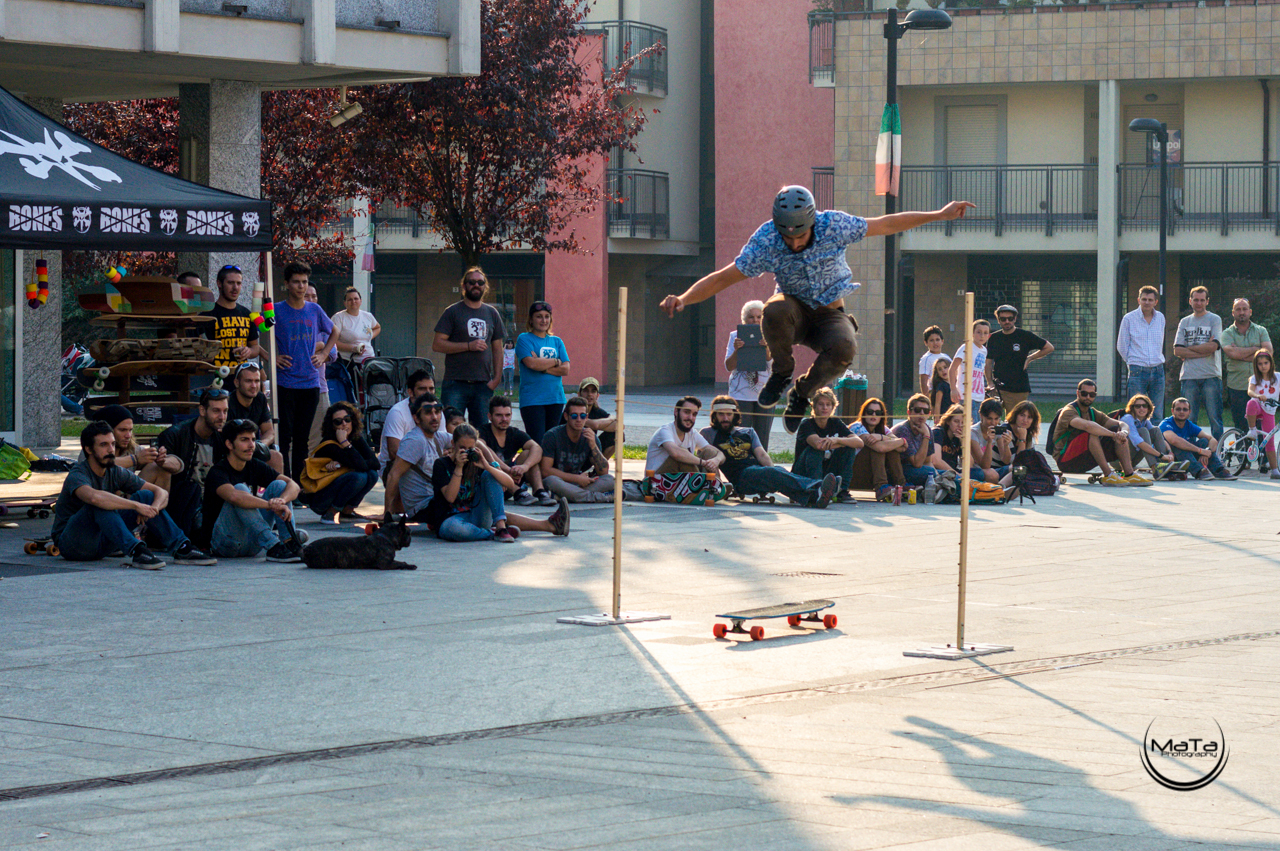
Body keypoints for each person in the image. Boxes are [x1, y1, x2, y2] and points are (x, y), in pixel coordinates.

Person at [659, 186, 975, 434]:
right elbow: (724, 276)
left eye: (800, 236)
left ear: (811, 222)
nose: (794, 244)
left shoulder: (834, 225)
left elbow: (886, 224)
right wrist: (685, 298)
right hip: (793, 313)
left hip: (830, 313)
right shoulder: (766, 239)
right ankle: (782, 372)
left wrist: (938, 214)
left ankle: (802, 393)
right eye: (788, 237)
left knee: (845, 346)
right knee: (774, 310)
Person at [52, 421, 214, 568]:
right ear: (88, 449)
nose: (110, 450)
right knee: (100, 504)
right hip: (72, 544)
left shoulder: (115, 471)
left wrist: (153, 508)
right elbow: (94, 497)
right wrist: (136, 506)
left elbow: (161, 492)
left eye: (113, 444)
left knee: (146, 496)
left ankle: (181, 548)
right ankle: (138, 552)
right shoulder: (78, 474)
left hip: (103, 543)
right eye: (103, 445)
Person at [426, 424, 569, 541]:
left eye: (470, 448)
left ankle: (500, 527)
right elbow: (450, 497)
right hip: (451, 519)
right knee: (455, 530)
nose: (466, 452)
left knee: (491, 475)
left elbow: (509, 484)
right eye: (462, 448)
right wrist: (458, 466)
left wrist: (487, 466)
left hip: (476, 514)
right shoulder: (441, 464)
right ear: (453, 444)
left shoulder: (476, 461)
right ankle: (492, 533)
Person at [701, 396, 838, 508]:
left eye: (728, 414)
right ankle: (819, 486)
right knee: (772, 472)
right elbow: (705, 455)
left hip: (758, 471)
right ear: (714, 415)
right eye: (721, 414)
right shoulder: (708, 433)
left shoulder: (748, 431)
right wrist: (717, 486)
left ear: (734, 415)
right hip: (740, 478)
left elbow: (762, 455)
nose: (725, 418)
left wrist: (773, 473)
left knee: (777, 471)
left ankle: (815, 498)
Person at [203, 419, 306, 562]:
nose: (251, 445)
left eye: (253, 439)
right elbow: (235, 497)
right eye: (244, 440)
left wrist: (281, 500)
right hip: (226, 544)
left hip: (254, 543)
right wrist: (271, 505)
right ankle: (273, 545)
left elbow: (293, 485)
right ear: (229, 444)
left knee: (280, 485)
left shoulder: (254, 465)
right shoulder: (218, 472)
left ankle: (289, 542)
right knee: (240, 489)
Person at [275, 261, 339, 481]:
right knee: (284, 437)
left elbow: (335, 331)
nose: (301, 286)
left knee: (303, 438)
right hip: (285, 383)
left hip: (311, 384)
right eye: (296, 282)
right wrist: (271, 356)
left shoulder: (315, 309)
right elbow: (256, 333)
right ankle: (283, 481)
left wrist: (323, 354)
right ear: (287, 284)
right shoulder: (276, 310)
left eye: (304, 282)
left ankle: (299, 484)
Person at [432, 266, 505, 427]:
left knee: (480, 432)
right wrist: (468, 346)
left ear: (485, 286)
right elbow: (437, 344)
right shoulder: (452, 312)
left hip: (483, 385)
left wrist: (497, 378)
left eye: (480, 282)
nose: (476, 285)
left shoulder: (492, 313)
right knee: (449, 428)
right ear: (464, 286)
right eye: (472, 282)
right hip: (455, 383)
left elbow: (498, 349)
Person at [154, 388, 230, 539]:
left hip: (211, 501)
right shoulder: (175, 434)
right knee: (191, 489)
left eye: (225, 411)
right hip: (181, 503)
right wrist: (164, 461)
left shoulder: (224, 437)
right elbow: (168, 465)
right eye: (216, 411)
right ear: (202, 410)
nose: (222, 417)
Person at [1049, 380, 1146, 485]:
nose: (1088, 397)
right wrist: (1114, 435)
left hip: (1083, 458)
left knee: (1116, 429)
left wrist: (1123, 432)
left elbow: (1122, 424)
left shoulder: (1092, 412)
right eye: (1084, 394)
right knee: (1092, 433)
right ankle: (1108, 475)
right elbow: (1088, 426)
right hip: (1065, 460)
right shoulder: (1069, 411)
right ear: (1077, 393)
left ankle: (1129, 474)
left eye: (1092, 394)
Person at [304, 402, 381, 524]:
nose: (344, 424)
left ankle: (347, 512)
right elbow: (361, 466)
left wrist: (343, 459)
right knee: (359, 477)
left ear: (353, 420)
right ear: (332, 425)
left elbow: (375, 464)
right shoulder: (330, 443)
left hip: (336, 488)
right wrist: (345, 443)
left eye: (347, 419)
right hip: (320, 499)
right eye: (338, 422)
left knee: (372, 475)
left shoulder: (355, 437)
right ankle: (330, 513)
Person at [384, 393, 452, 522]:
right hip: (423, 507)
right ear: (416, 418)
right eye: (428, 412)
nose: (434, 417)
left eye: (437, 412)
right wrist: (387, 514)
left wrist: (496, 465)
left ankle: (497, 519)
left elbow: (471, 439)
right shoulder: (415, 440)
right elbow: (394, 475)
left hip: (437, 500)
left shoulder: (438, 436)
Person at [480, 395, 553, 506]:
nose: (504, 419)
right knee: (484, 453)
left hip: (513, 477)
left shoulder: (514, 432)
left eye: (507, 415)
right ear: (490, 416)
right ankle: (517, 492)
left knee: (528, 453)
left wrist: (525, 466)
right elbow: (482, 449)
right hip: (492, 483)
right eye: (499, 415)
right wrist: (507, 470)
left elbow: (537, 448)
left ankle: (539, 491)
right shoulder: (482, 431)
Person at [541, 396, 616, 503]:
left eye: (583, 416)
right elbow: (545, 471)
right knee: (550, 481)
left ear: (587, 417)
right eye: (574, 416)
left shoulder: (590, 437)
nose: (579, 420)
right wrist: (577, 478)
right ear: (566, 416)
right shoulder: (552, 436)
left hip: (578, 484)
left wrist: (593, 446)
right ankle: (599, 497)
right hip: (560, 481)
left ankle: (566, 497)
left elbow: (603, 471)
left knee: (610, 480)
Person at [1173, 286, 1224, 440]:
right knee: (1188, 419)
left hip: (1211, 375)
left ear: (1207, 301)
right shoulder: (1184, 321)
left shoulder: (1215, 319)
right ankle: (1190, 451)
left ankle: (1217, 453)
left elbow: (1214, 346)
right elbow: (1177, 351)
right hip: (1189, 376)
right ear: (1190, 301)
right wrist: (1204, 350)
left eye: (1202, 300)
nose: (1199, 303)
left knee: (1215, 418)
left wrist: (1188, 349)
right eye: (1196, 299)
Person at [793, 387, 861, 503]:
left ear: (832, 407)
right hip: (804, 471)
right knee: (815, 450)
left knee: (849, 448)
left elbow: (859, 442)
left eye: (828, 404)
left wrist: (837, 440)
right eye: (821, 404)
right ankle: (816, 490)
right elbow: (818, 445)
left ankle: (841, 491)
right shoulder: (806, 424)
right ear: (814, 407)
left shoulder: (835, 422)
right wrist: (840, 443)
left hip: (825, 469)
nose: (825, 408)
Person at [516, 300, 569, 443]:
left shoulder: (557, 341)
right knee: (537, 443)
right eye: (539, 316)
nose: (543, 320)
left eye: (547, 316)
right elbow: (531, 363)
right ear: (531, 320)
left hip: (556, 399)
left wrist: (543, 367)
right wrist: (556, 361)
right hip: (532, 400)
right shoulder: (524, 339)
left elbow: (565, 369)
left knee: (552, 443)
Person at [725, 300, 773, 451]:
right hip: (741, 395)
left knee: (762, 439)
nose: (755, 320)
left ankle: (761, 470)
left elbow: (775, 366)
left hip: (765, 394)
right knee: (741, 438)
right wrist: (737, 350)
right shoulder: (735, 336)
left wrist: (766, 348)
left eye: (759, 317)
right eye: (751, 317)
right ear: (744, 320)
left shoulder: (772, 335)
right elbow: (728, 366)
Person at [985, 305, 1053, 413]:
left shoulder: (1024, 336)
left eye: (1010, 318)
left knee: (1014, 422)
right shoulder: (993, 338)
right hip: (998, 388)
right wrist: (990, 383)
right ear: (998, 320)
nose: (1007, 321)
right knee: (991, 419)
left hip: (1018, 388)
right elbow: (988, 363)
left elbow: (1049, 347)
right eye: (1003, 319)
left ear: (1015, 319)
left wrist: (1030, 358)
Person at [1219, 297, 1272, 430]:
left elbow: (1268, 353)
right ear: (1233, 312)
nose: (1241, 312)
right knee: (1241, 425)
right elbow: (1233, 354)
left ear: (1250, 312)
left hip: (1260, 386)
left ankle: (1261, 451)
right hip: (1237, 385)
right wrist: (1256, 350)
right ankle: (1242, 450)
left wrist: (1241, 354)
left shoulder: (1261, 331)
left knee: (1260, 425)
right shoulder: (1226, 334)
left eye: (1244, 309)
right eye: (1238, 309)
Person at [1116, 285, 1167, 418]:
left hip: (1158, 371)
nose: (1147, 302)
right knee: (1136, 412)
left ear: (1155, 302)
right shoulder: (1129, 319)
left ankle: (1155, 438)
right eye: (1144, 299)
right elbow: (1122, 346)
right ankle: (1136, 439)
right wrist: (1133, 362)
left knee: (1157, 413)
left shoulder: (1160, 318)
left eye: (1150, 300)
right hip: (1137, 371)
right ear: (1138, 300)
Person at [200, 265, 262, 374]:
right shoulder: (206, 315)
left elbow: (255, 347)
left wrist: (249, 351)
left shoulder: (246, 314)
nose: (235, 287)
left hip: (241, 377)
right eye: (230, 283)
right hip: (214, 379)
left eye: (239, 283)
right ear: (219, 284)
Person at [1160, 396, 1237, 481]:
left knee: (1204, 441)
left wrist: (1207, 452)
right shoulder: (1165, 423)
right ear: (1172, 411)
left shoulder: (1189, 425)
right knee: (1179, 445)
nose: (1181, 412)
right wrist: (1200, 450)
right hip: (1168, 459)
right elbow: (1174, 440)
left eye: (1185, 409)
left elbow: (1212, 440)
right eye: (1178, 409)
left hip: (1185, 459)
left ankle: (1218, 470)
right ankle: (1199, 471)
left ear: (1189, 412)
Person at [377, 369, 436, 479]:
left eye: (431, 388)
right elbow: (394, 452)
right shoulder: (397, 412)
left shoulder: (436, 411)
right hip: (397, 467)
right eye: (422, 389)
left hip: (427, 465)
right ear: (410, 392)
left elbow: (445, 443)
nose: (428, 393)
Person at [227, 362, 284, 474]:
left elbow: (269, 432)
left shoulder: (260, 398)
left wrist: (258, 446)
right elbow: (226, 438)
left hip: (253, 448)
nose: (254, 386)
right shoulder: (228, 402)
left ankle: (277, 490)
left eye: (257, 381)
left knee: (276, 457)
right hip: (232, 451)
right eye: (248, 381)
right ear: (236, 383)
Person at [645, 396, 725, 475]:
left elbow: (719, 453)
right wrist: (703, 463)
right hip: (657, 482)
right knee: (683, 456)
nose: (690, 417)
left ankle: (715, 485)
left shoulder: (693, 433)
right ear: (676, 411)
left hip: (681, 481)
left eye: (694, 414)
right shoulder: (665, 431)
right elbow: (676, 453)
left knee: (709, 452)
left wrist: (716, 460)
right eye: (686, 412)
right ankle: (702, 486)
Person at [849, 396, 907, 502]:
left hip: (870, 476)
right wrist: (900, 441)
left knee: (890, 446)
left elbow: (901, 447)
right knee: (878, 446)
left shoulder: (883, 429)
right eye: (870, 412)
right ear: (864, 413)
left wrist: (882, 437)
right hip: (853, 476)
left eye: (878, 413)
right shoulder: (857, 427)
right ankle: (881, 486)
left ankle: (901, 484)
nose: (874, 415)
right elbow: (880, 448)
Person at [890, 393, 944, 501]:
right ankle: (939, 492)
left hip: (917, 470)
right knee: (932, 474)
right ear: (909, 412)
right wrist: (926, 437)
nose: (921, 414)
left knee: (950, 475)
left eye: (925, 411)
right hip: (900, 472)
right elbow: (917, 463)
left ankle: (940, 491)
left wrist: (937, 478)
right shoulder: (903, 429)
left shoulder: (927, 429)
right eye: (918, 410)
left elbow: (928, 461)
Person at [305, 282, 340, 446]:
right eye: (307, 295)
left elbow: (333, 353)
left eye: (314, 296)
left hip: (319, 387)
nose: (311, 299)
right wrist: (318, 346)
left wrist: (321, 351)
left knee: (320, 436)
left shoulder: (321, 319)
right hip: (292, 386)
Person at [1119, 394, 1176, 476]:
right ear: (1132, 408)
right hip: (1121, 460)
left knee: (1155, 430)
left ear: (1149, 408)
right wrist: (1161, 455)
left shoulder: (1145, 421)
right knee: (1143, 431)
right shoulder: (1128, 419)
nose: (1141, 408)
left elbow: (1160, 438)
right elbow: (1139, 443)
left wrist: (1170, 453)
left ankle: (1165, 465)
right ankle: (1154, 467)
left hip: (1133, 459)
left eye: (1144, 406)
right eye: (1138, 406)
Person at [1245, 350, 1280, 478]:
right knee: (1251, 403)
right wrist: (1258, 396)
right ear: (1256, 365)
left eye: (1266, 363)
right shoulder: (1255, 378)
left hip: (1270, 411)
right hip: (1258, 406)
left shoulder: (1278, 377)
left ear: (1271, 363)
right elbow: (1250, 391)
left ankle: (1275, 470)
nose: (1263, 366)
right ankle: (1252, 429)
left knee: (1269, 439)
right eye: (1260, 364)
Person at [948, 319, 991, 422]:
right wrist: (953, 389)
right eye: (978, 332)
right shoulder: (966, 347)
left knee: (978, 426)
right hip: (965, 394)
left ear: (989, 335)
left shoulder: (984, 351)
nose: (982, 336)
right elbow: (952, 368)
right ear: (972, 333)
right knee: (968, 426)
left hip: (979, 395)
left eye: (985, 333)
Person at [970, 398, 1015, 487]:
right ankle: (998, 489)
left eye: (996, 419)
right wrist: (989, 442)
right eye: (989, 418)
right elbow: (984, 466)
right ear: (981, 415)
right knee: (992, 474)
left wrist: (1006, 445)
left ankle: (999, 488)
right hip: (975, 471)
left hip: (991, 470)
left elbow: (1006, 460)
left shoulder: (997, 430)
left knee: (1016, 470)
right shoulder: (973, 432)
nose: (993, 422)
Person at [330, 286, 380, 364]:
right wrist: (353, 348)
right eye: (350, 299)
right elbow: (331, 341)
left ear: (360, 301)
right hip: (347, 362)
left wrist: (370, 336)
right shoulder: (338, 318)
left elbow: (378, 327)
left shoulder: (368, 316)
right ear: (345, 303)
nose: (353, 301)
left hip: (369, 362)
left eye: (356, 299)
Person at [930, 404, 977, 485]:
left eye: (963, 422)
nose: (960, 425)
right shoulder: (938, 432)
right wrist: (958, 475)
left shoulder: (958, 437)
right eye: (956, 421)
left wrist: (963, 441)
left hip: (954, 472)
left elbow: (970, 465)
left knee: (979, 473)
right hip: (938, 471)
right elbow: (936, 461)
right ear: (948, 421)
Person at [576, 377, 618, 460]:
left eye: (593, 391)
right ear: (579, 394)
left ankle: (598, 469)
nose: (589, 394)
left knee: (618, 435)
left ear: (597, 396)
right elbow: (594, 425)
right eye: (586, 391)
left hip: (590, 450)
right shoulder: (573, 410)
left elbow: (620, 426)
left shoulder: (597, 411)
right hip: (572, 451)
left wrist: (598, 424)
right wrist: (610, 419)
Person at [918, 325, 947, 396]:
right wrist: (928, 400)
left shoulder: (946, 357)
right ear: (926, 342)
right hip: (935, 394)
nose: (935, 343)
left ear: (942, 341)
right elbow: (924, 382)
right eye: (931, 340)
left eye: (937, 340)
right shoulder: (926, 359)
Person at [929, 355, 953, 422]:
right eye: (940, 369)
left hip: (954, 414)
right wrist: (937, 419)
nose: (943, 370)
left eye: (945, 367)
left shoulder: (955, 384)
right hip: (944, 416)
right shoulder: (941, 385)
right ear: (937, 373)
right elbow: (937, 404)